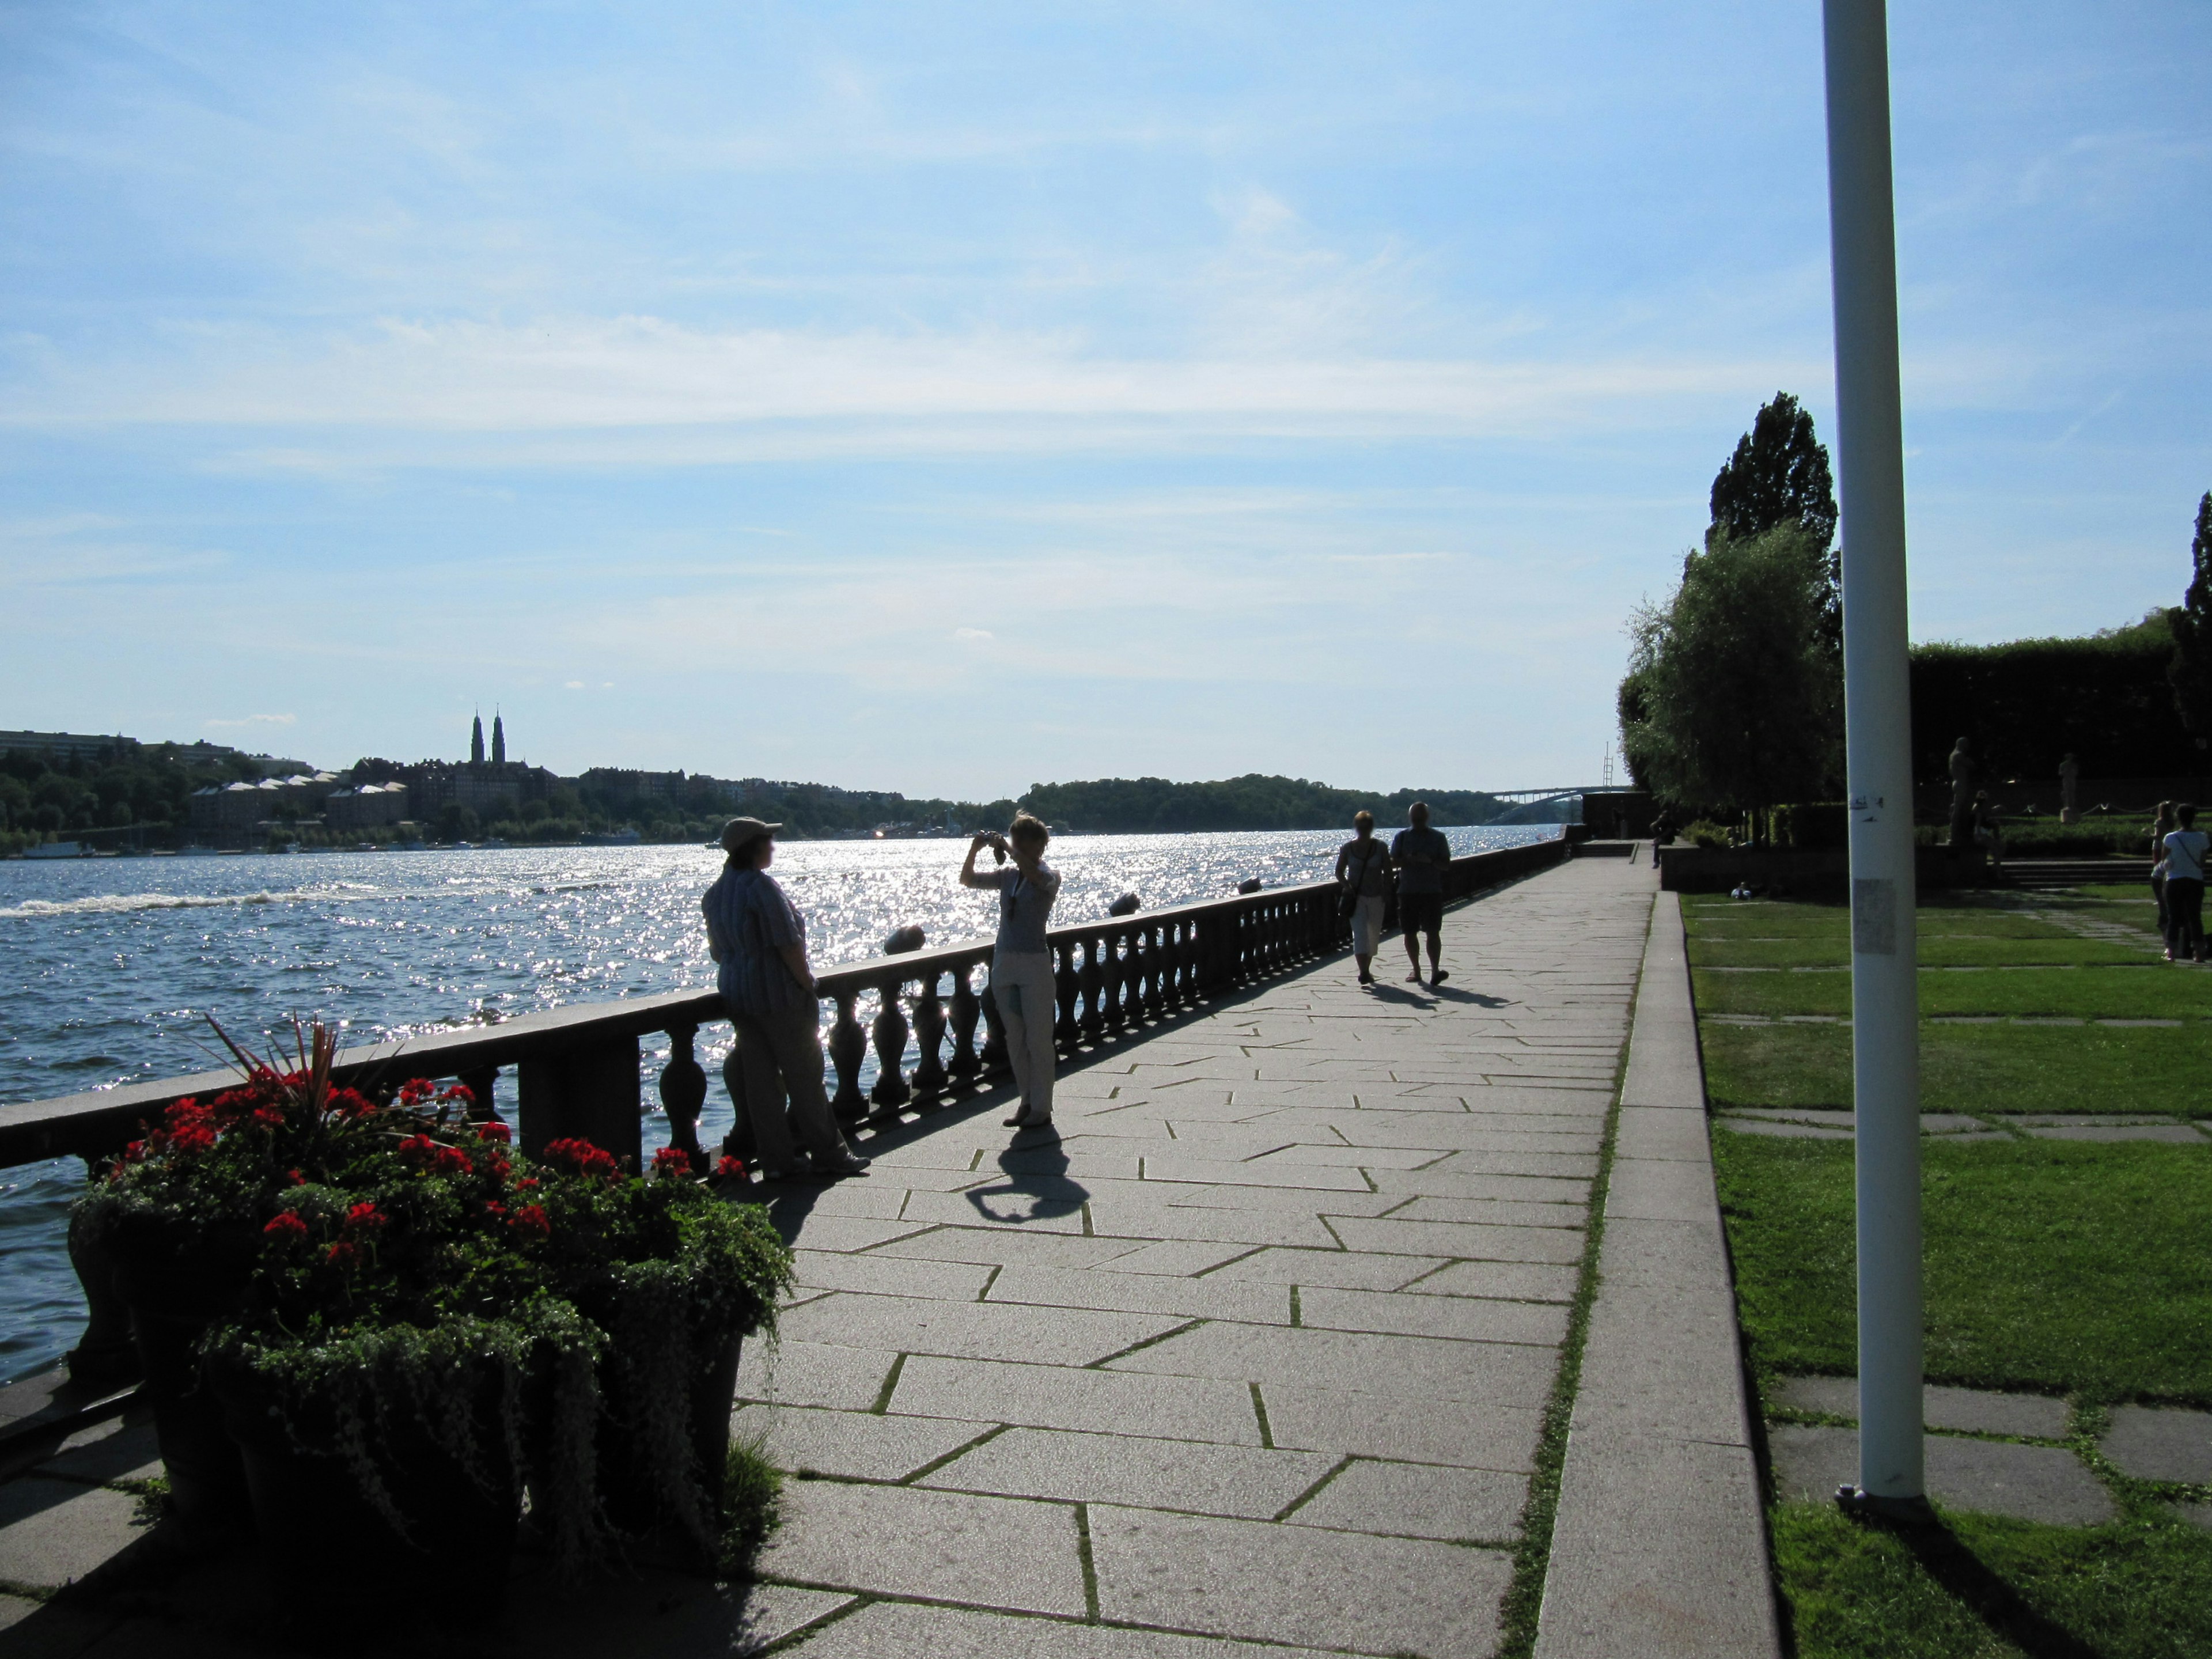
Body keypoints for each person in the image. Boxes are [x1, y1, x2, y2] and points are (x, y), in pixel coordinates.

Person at [702, 817, 870, 1180]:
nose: (774, 846)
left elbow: (717, 952)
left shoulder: (714, 894)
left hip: (738, 997)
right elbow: (788, 942)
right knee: (806, 1079)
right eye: (769, 839)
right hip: (780, 997)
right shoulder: (761, 888)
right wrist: (806, 983)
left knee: (761, 1086)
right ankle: (830, 1155)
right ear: (754, 846)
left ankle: (777, 1163)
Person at [961, 814, 1062, 1130]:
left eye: (1022, 841)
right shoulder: (1007, 877)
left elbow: (1034, 875)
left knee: (1039, 1039)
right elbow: (968, 880)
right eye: (1013, 839)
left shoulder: (1049, 876)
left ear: (1039, 845)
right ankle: (1026, 1101)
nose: (1016, 845)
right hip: (1005, 961)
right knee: (1015, 1038)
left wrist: (1008, 848)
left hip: (1034, 964)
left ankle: (1042, 1107)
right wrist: (974, 850)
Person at [1391, 801, 1452, 986]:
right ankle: (1416, 969)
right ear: (1410, 818)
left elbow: (1446, 865)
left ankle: (1435, 970)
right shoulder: (1401, 837)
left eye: (1420, 818)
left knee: (1433, 931)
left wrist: (1430, 861)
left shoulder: (1438, 838)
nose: (1417, 822)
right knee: (1409, 932)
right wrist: (1407, 860)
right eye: (1414, 819)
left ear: (1427, 818)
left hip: (1431, 891)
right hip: (1407, 891)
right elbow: (1392, 863)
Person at [1335, 811, 1393, 986]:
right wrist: (1348, 887)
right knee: (1360, 934)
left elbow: (1388, 872)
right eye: (1360, 826)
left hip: (1377, 897)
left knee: (1373, 935)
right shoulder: (1348, 848)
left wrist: (1387, 893)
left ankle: (1366, 968)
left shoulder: (1380, 847)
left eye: (1366, 827)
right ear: (1356, 828)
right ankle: (1364, 972)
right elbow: (1339, 872)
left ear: (1371, 828)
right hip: (1357, 897)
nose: (1363, 830)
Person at [2161, 803, 2207, 964]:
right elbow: (2202, 862)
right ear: (2194, 818)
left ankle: (2171, 951)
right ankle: (2199, 952)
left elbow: (2164, 860)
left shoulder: (2170, 838)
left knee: (2174, 917)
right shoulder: (2202, 837)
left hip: (2174, 880)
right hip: (2195, 880)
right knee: (2195, 918)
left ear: (2177, 818)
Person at [2150, 801, 2176, 937]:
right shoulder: (2171, 821)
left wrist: (2148, 833)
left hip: (2159, 846)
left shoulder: (2159, 821)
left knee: (2158, 870)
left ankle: (2161, 896)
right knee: (2166, 869)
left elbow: (2158, 836)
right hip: (2169, 846)